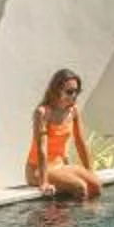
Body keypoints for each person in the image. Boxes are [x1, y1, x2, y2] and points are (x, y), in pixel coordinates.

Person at [26, 67, 102, 201]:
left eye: (76, 92)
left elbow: (80, 143)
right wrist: (43, 182)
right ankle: (77, 220)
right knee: (80, 187)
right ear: (56, 91)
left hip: (60, 166)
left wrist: (89, 171)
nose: (73, 96)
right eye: (69, 92)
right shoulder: (43, 113)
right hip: (38, 170)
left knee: (96, 186)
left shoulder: (73, 111)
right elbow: (41, 149)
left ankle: (89, 218)